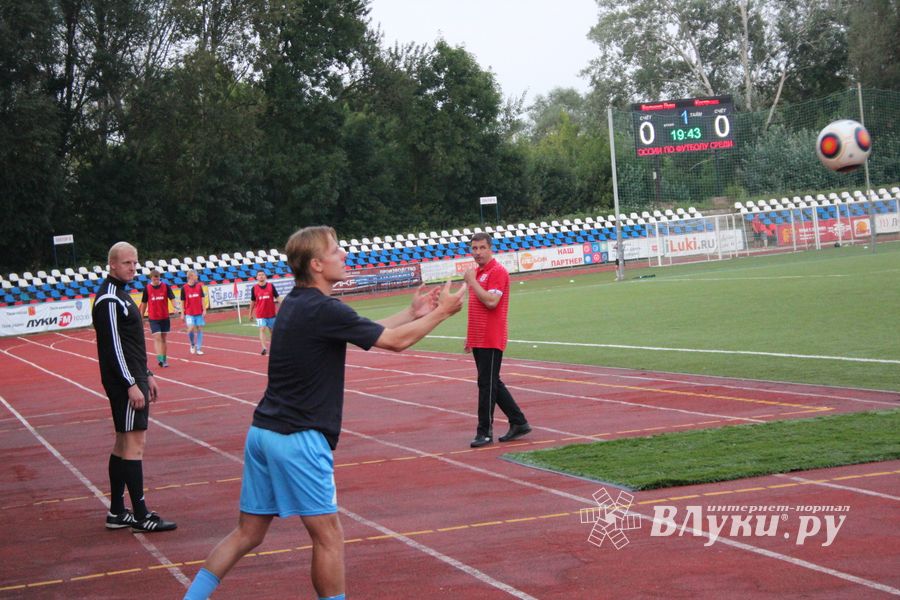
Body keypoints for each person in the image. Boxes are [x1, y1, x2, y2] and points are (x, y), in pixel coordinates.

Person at [183, 226, 466, 600]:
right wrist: (443, 312)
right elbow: (395, 342)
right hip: (298, 439)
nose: (343, 255)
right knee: (329, 538)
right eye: (335, 251)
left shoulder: (296, 303)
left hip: (263, 432)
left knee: (248, 533)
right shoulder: (323, 309)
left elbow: (367, 331)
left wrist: (412, 311)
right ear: (317, 264)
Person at [93, 242, 177, 533]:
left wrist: (148, 373)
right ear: (112, 265)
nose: (133, 267)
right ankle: (141, 515)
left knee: (122, 444)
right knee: (134, 445)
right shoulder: (109, 300)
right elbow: (114, 348)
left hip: (134, 376)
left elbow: (131, 345)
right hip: (125, 381)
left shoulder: (122, 295)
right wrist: (131, 383)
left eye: (135, 262)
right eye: (127, 263)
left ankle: (117, 511)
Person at [462, 232, 531, 448]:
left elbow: (492, 302)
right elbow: (476, 309)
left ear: (491, 248)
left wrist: (472, 282)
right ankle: (518, 422)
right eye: (474, 248)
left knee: (486, 384)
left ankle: (484, 432)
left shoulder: (497, 271)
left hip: (491, 336)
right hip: (480, 337)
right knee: (492, 382)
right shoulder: (479, 273)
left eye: (482, 247)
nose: (478, 252)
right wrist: (470, 336)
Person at [139, 269, 181, 367]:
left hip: (164, 316)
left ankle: (164, 359)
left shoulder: (166, 286)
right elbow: (144, 302)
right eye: (154, 279)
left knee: (163, 338)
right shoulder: (147, 288)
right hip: (153, 317)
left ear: (159, 278)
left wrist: (175, 307)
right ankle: (160, 358)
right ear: (151, 279)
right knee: (157, 336)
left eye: (158, 279)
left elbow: (172, 298)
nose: (156, 281)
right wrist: (141, 316)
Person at [248, 270, 281, 355]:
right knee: (262, 328)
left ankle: (275, 347)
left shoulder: (271, 286)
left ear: (265, 276)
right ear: (257, 277)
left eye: (263, 275)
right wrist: (250, 313)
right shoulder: (254, 288)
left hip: (271, 313)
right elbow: (252, 302)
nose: (261, 276)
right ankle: (264, 348)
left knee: (272, 331)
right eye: (259, 275)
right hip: (260, 314)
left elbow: (277, 297)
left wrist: (284, 305)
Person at [180, 269, 207, 355]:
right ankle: (192, 344)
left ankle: (198, 348)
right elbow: (182, 301)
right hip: (189, 313)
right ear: (191, 276)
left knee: (199, 328)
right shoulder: (184, 288)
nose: (197, 277)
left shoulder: (199, 286)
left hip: (198, 312)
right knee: (191, 328)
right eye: (196, 275)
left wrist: (204, 309)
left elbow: (202, 298)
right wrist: (182, 313)